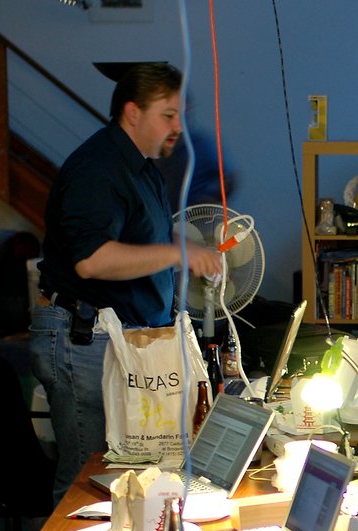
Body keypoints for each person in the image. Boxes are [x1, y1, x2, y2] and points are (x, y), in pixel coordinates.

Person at [30, 62, 224, 502]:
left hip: (117, 340)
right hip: (84, 340)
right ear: (133, 113)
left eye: (179, 115)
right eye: (168, 115)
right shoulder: (98, 169)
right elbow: (91, 260)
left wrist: (198, 254)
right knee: (88, 481)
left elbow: (147, 237)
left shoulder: (142, 167)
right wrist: (179, 253)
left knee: (126, 478)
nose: (178, 127)